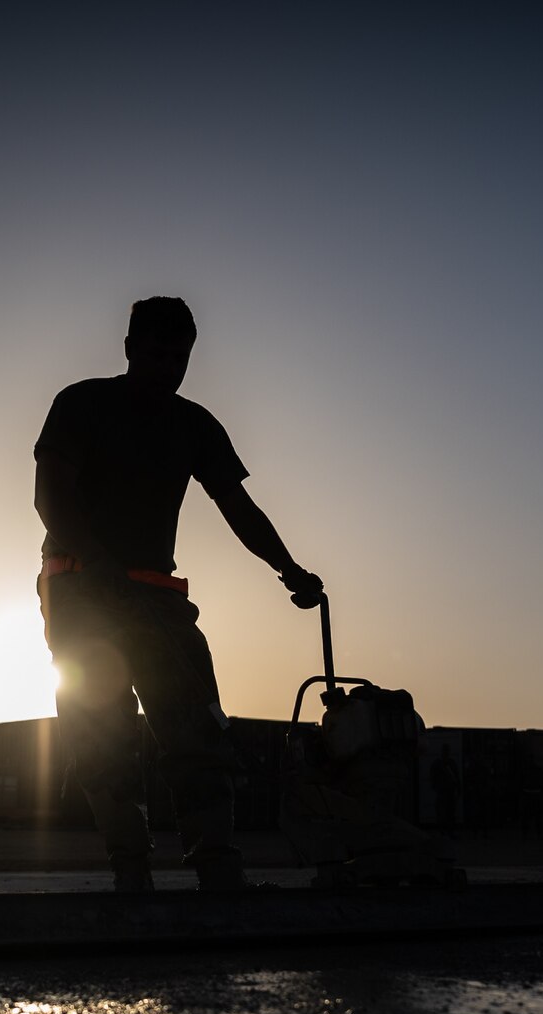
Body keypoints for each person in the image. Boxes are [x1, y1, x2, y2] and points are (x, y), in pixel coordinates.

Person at [34, 297, 323, 892]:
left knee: (194, 724)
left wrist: (288, 569)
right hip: (81, 591)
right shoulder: (82, 403)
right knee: (103, 732)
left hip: (155, 598)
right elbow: (50, 497)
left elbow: (238, 506)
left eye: (179, 357)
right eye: (156, 354)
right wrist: (98, 563)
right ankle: (130, 864)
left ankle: (216, 862)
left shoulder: (194, 425)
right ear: (131, 348)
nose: (168, 367)